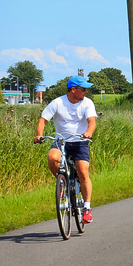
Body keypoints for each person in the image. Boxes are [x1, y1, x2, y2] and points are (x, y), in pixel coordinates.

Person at [34, 76, 98, 224]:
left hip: (80, 141)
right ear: (73, 90)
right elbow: (42, 120)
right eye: (83, 89)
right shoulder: (57, 103)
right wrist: (39, 135)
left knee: (83, 171)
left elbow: (92, 121)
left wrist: (89, 132)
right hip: (61, 140)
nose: (86, 91)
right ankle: (63, 183)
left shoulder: (87, 103)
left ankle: (87, 208)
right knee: (52, 158)